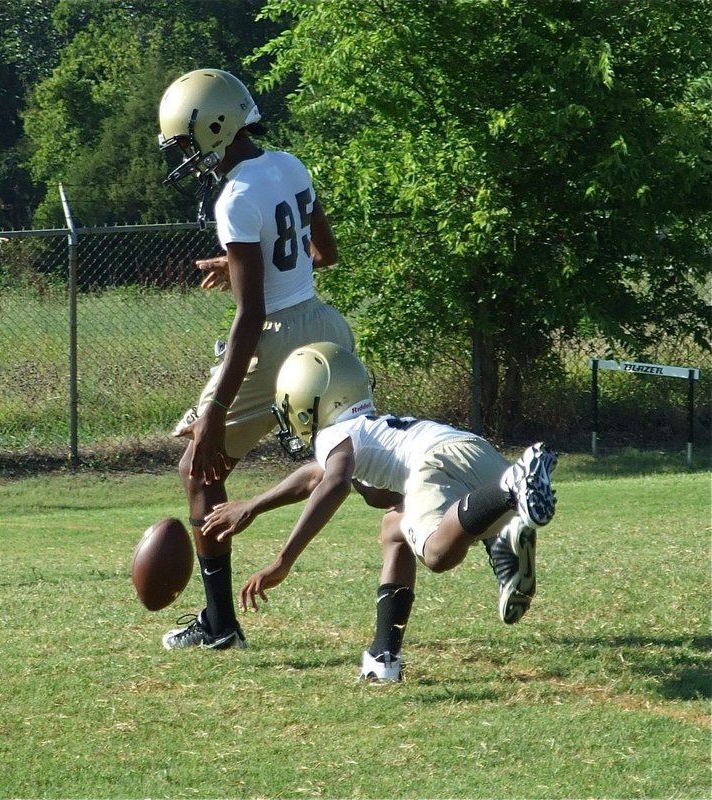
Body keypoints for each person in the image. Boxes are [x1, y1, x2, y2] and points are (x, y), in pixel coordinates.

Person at [201, 342, 558, 682]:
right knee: (395, 526)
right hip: (475, 451)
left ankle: (509, 490)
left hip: (437, 461)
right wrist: (254, 506)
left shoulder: (332, 435)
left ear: (309, 402)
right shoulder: (367, 426)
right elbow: (315, 476)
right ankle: (385, 654)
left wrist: (284, 559)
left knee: (436, 553)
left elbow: (333, 482)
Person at [157, 70, 355, 651]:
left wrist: (213, 413)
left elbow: (248, 317)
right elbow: (325, 253)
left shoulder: (235, 196)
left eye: (189, 143)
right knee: (364, 465)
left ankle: (220, 625)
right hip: (325, 325)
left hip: (270, 340)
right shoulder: (289, 165)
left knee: (198, 471)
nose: (190, 159)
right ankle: (485, 515)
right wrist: (249, 265)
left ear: (216, 126)